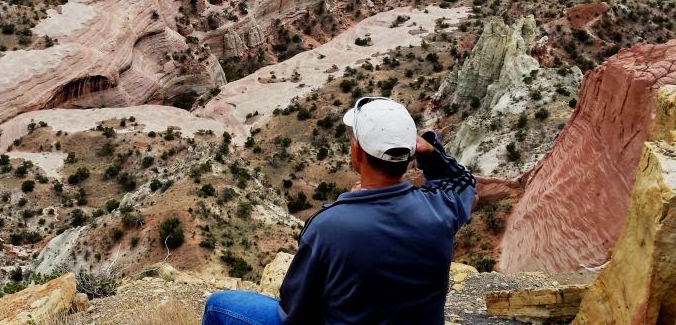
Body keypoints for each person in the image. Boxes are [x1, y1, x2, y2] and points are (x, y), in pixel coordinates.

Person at [201, 96, 476, 325]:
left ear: (357, 152)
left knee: (218, 306)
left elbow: (295, 307)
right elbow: (462, 181)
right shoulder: (441, 208)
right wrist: (430, 153)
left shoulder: (329, 226)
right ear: (410, 154)